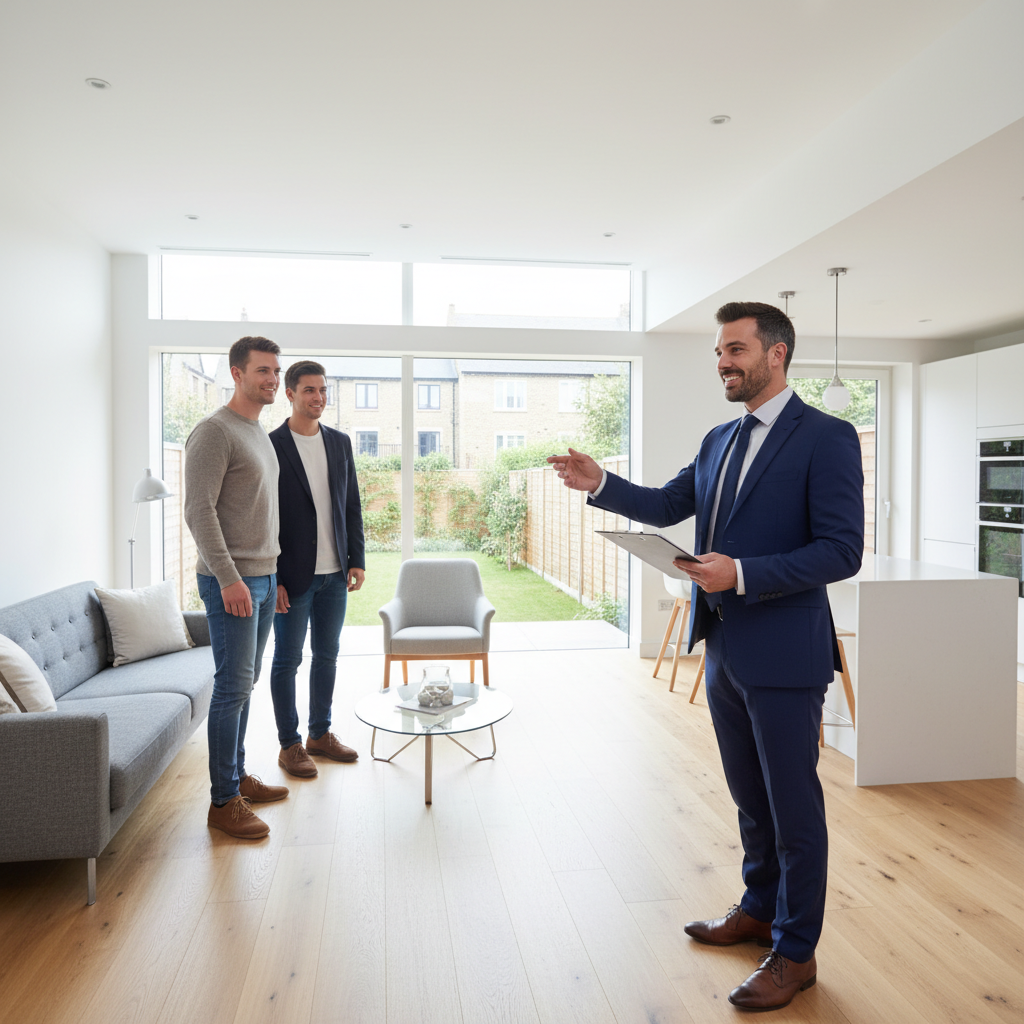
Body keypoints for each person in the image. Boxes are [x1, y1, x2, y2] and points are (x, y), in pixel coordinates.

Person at [549, 302, 863, 1012]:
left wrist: (743, 572)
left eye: (735, 349)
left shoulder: (828, 437)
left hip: (784, 651)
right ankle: (757, 908)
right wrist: (601, 482)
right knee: (751, 800)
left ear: (776, 354)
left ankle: (795, 951)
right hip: (721, 646)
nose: (723, 361)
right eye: (720, 351)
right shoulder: (720, 438)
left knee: (793, 807)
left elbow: (842, 550)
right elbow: (665, 504)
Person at [184, 335, 289, 840]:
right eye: (263, 371)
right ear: (237, 373)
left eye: (275, 371)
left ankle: (237, 777)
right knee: (230, 687)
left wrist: (273, 576)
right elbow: (198, 511)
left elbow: (260, 511)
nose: (272, 380)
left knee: (244, 684)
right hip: (234, 581)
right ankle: (223, 801)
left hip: (264, 577)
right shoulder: (214, 432)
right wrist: (229, 579)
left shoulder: (258, 431)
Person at [268, 360, 365, 778]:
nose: (318, 397)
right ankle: (289, 744)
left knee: (327, 655)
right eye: (309, 390)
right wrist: (273, 578)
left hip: (335, 574)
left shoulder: (340, 443)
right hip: (292, 577)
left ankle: (319, 734)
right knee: (287, 660)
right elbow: (263, 517)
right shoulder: (270, 444)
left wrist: (356, 558)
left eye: (323, 390)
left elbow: (351, 504)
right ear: (289, 394)